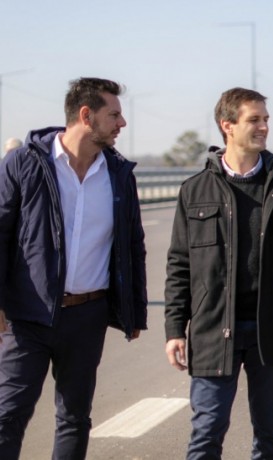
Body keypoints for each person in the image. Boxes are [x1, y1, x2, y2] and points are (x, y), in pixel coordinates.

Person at [164, 87, 273, 459]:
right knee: (206, 433)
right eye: (254, 120)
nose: (264, 127)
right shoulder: (195, 190)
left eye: (266, 120)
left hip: (271, 328)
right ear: (228, 126)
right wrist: (175, 328)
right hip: (212, 329)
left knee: (270, 436)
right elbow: (179, 267)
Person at [0, 77, 147, 459]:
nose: (122, 123)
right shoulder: (24, 163)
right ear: (86, 115)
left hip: (87, 316)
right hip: (27, 316)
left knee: (75, 418)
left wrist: (135, 308)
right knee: (8, 414)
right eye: (113, 114)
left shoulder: (118, 176)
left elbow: (132, 245)